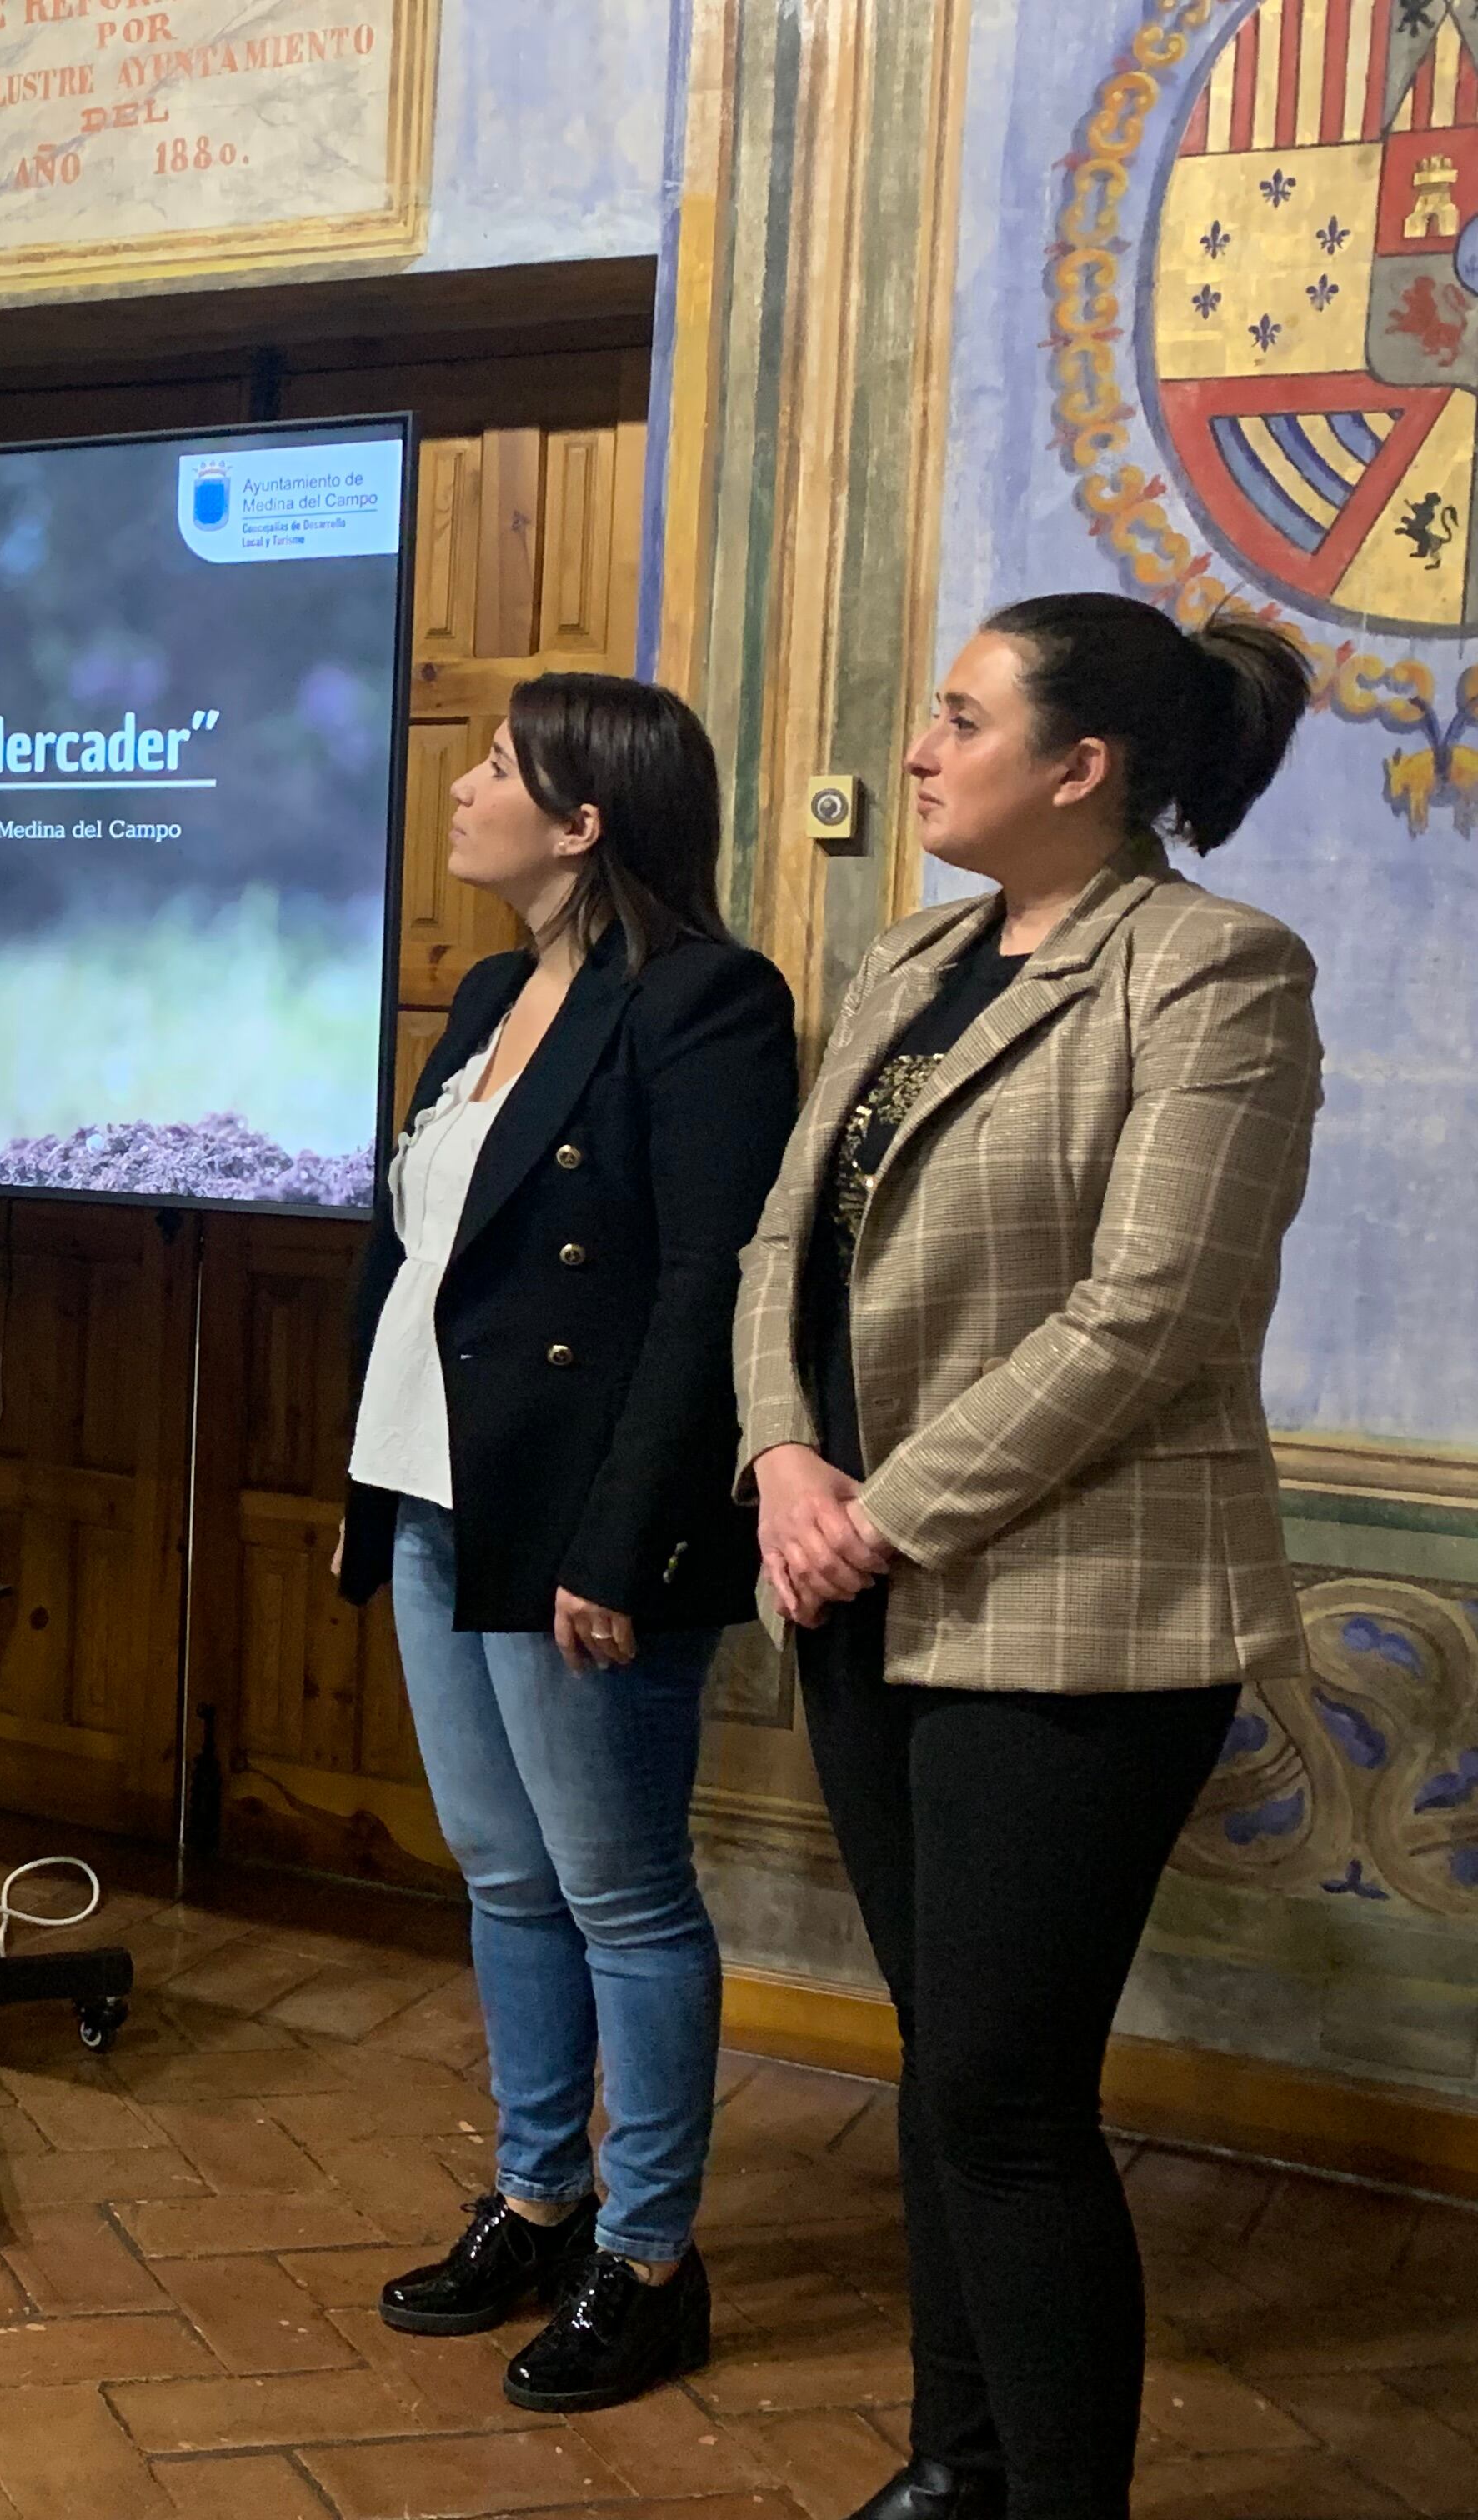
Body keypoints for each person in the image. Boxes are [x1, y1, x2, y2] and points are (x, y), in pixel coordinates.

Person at [736, 594, 1318, 2520]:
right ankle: (955, 2466)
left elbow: (1155, 1312)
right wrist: (782, 1454)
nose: (921, 747)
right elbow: (779, 1249)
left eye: (962, 717)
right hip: (856, 1585)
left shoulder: (1217, 972)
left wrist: (882, 1511)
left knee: (1004, 2100)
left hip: (1076, 1617)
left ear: (1083, 769)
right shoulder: (915, 953)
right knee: (945, 2071)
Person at [338, 675, 797, 2412]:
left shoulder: (705, 1004)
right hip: (440, 1500)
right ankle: (542, 2197)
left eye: (498, 770)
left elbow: (704, 1291)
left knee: (622, 1893)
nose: (459, 792)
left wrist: (618, 1543)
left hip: (574, 1526)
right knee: (507, 1874)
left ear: (586, 817)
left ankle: (650, 2257)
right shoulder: (484, 992)